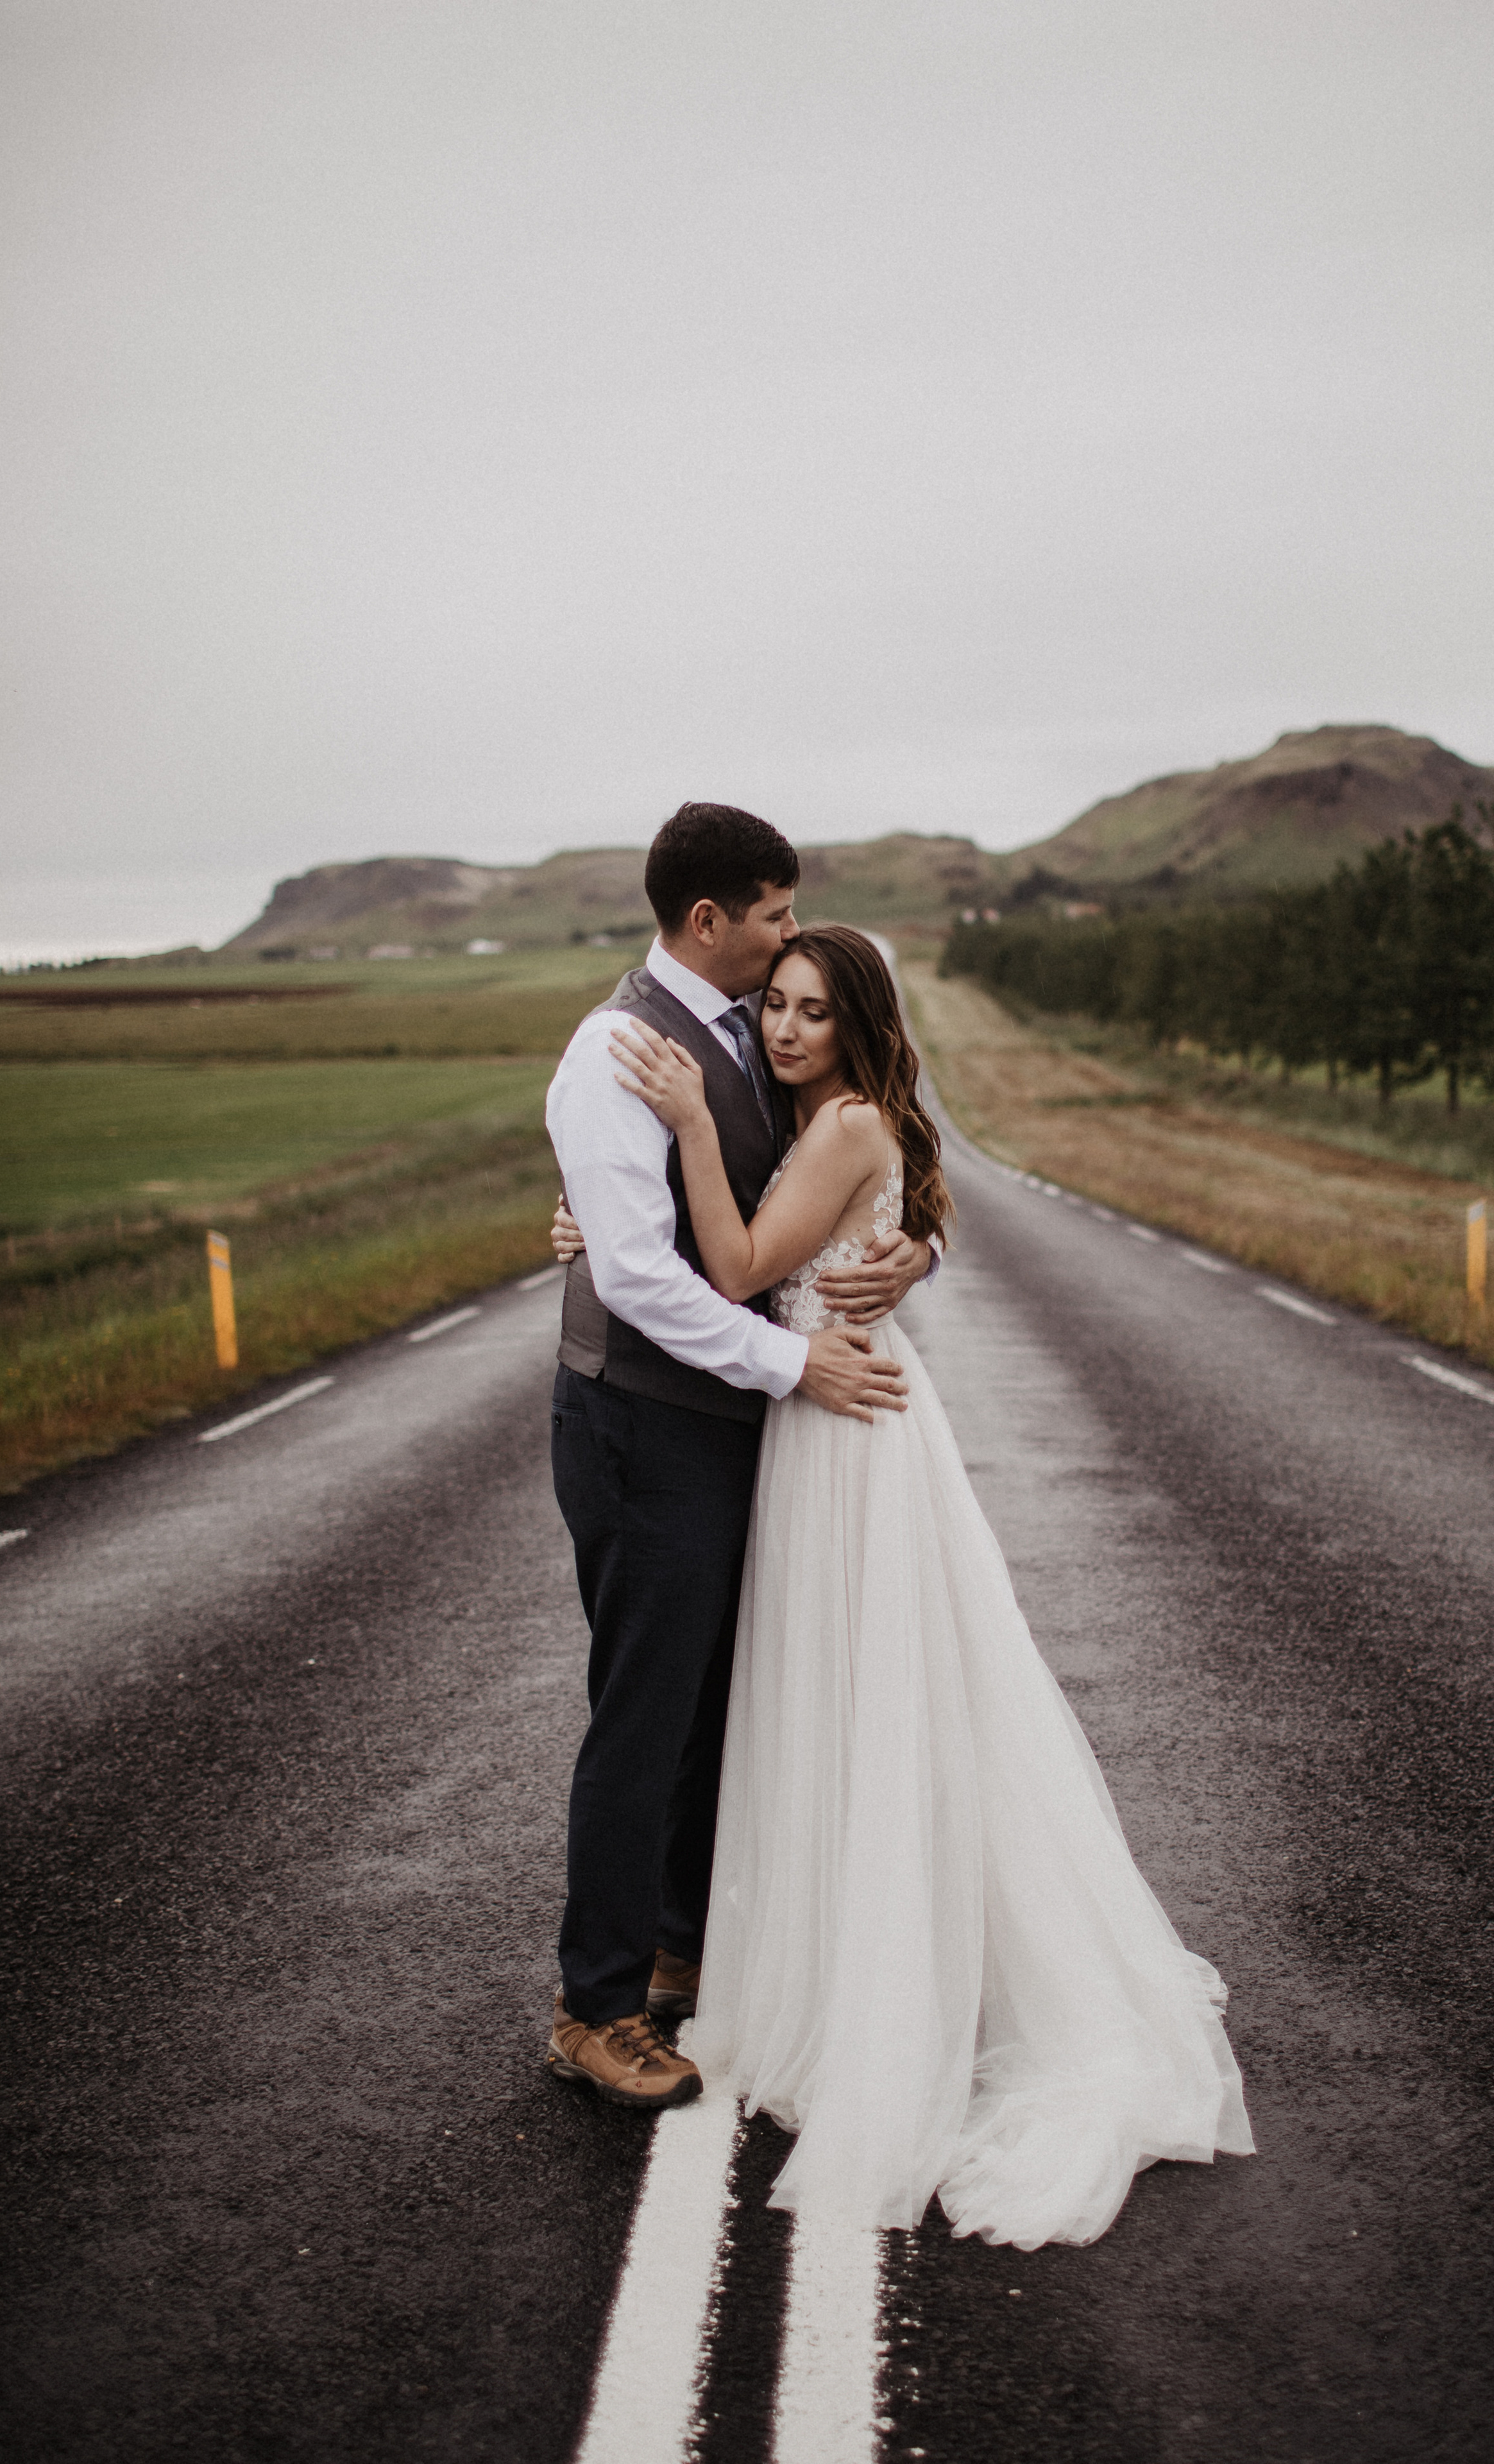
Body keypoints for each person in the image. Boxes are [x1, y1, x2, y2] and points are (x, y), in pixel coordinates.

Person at [591, 921, 1255, 2248]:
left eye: (812, 1014)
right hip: (837, 1413)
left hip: (845, 1431)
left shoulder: (837, 1128)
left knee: (853, 1696)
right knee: (844, 1696)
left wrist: (686, 1128)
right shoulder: (839, 1120)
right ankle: (849, 1955)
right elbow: (843, 1231)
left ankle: (873, 1982)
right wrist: (594, 1218)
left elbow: (734, 1271)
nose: (782, 1030)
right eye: (774, 1005)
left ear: (859, 1029)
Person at [541, 804, 938, 2113]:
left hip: (732, 1426)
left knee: (718, 1701)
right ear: (708, 918)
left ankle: (677, 1940)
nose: (784, 950)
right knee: (644, 1710)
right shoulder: (614, 1049)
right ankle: (595, 2009)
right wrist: (795, 1361)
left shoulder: (739, 1037)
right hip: (642, 1423)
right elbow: (649, 1277)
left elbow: (856, 1166)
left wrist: (910, 1249)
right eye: (772, 914)